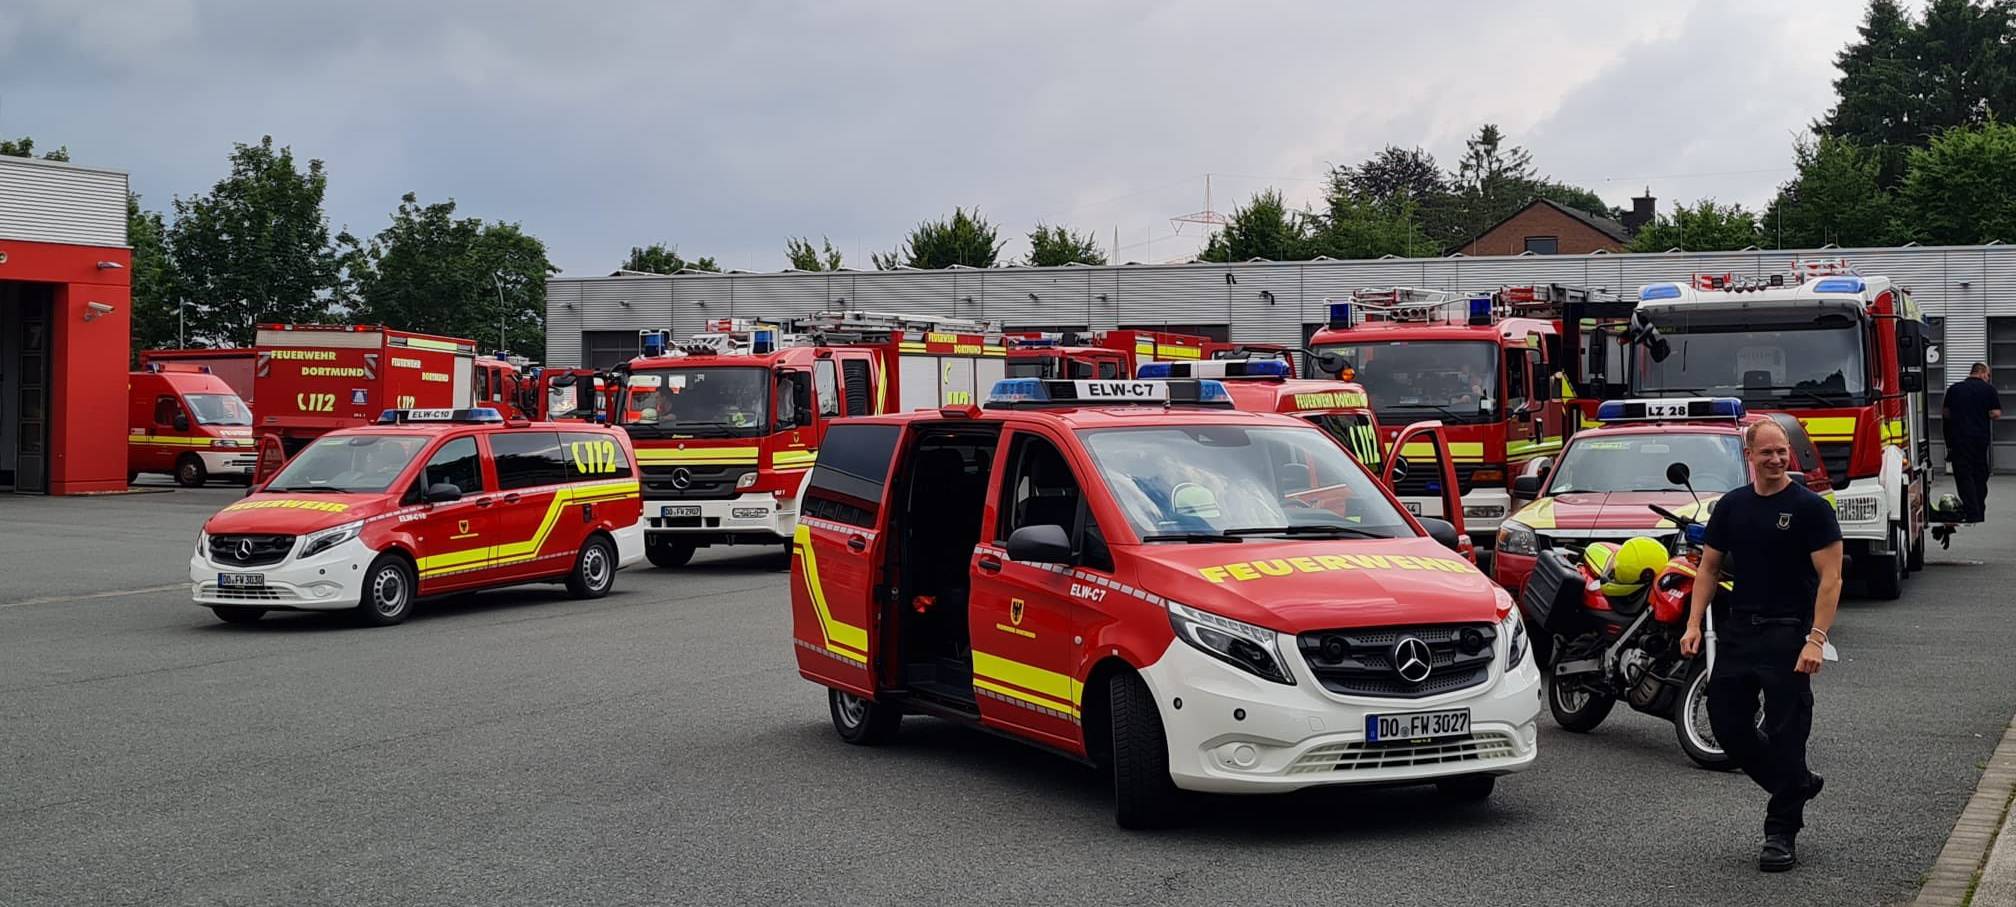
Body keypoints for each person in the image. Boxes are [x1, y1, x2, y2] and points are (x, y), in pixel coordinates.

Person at [1680, 418, 1843, 872]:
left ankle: (1780, 833)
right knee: (1726, 724)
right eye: (1766, 452)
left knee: (1787, 733)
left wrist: (1816, 639)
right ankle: (1795, 784)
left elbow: (1832, 578)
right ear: (1748, 456)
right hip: (1740, 629)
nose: (1775, 459)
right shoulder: (1732, 507)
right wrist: (1694, 624)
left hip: (1790, 633)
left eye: (1782, 452)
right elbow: (1709, 569)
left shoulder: (1810, 508)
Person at [1942, 362, 2002, 522]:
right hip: (1980, 439)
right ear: (1982, 373)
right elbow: (1996, 413)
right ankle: (1979, 510)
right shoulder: (1988, 390)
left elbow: (1946, 413)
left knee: (1964, 475)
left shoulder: (1954, 389)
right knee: (1980, 473)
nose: (1988, 378)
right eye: (1988, 375)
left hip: (1959, 439)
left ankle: (1971, 511)